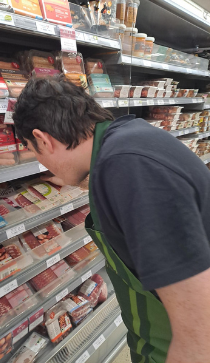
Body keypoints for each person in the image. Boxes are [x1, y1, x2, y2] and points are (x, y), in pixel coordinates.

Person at [12, 76, 210, 363]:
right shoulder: (126, 141)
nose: (43, 164)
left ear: (43, 139)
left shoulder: (129, 168)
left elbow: (200, 333)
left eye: (35, 151)